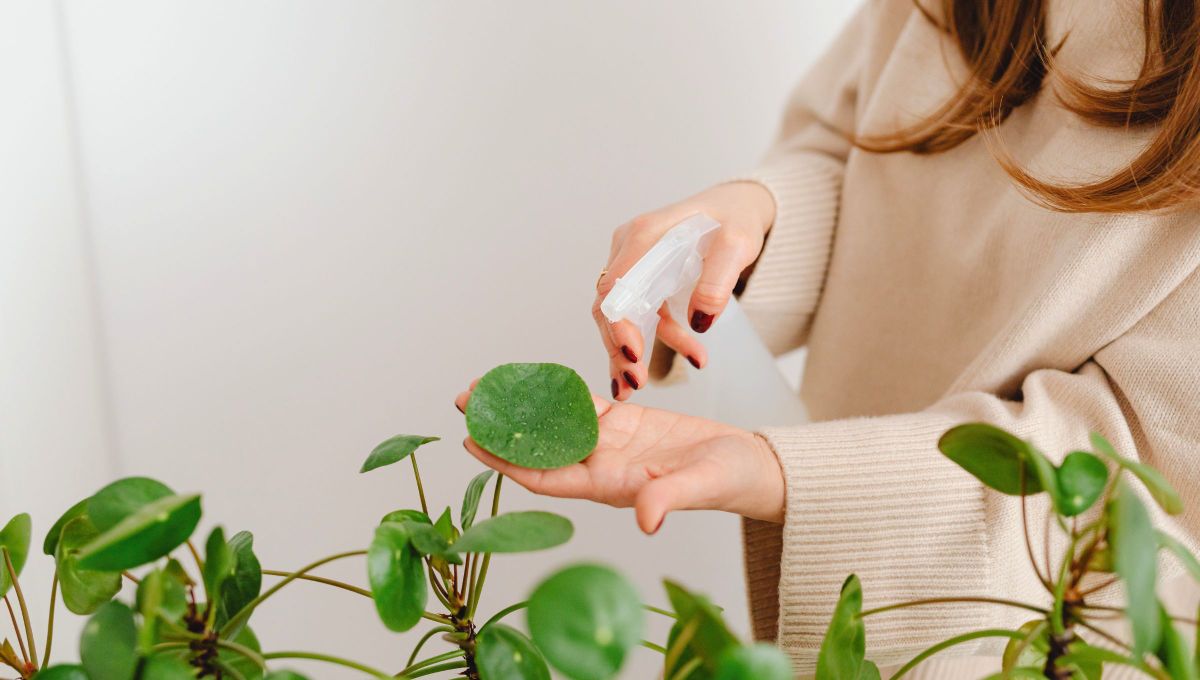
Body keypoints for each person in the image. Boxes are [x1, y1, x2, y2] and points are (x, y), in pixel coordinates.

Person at [457, 0, 1200, 674]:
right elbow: (866, 148)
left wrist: (801, 477)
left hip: (1040, 643)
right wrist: (745, 230)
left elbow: (1146, 479)